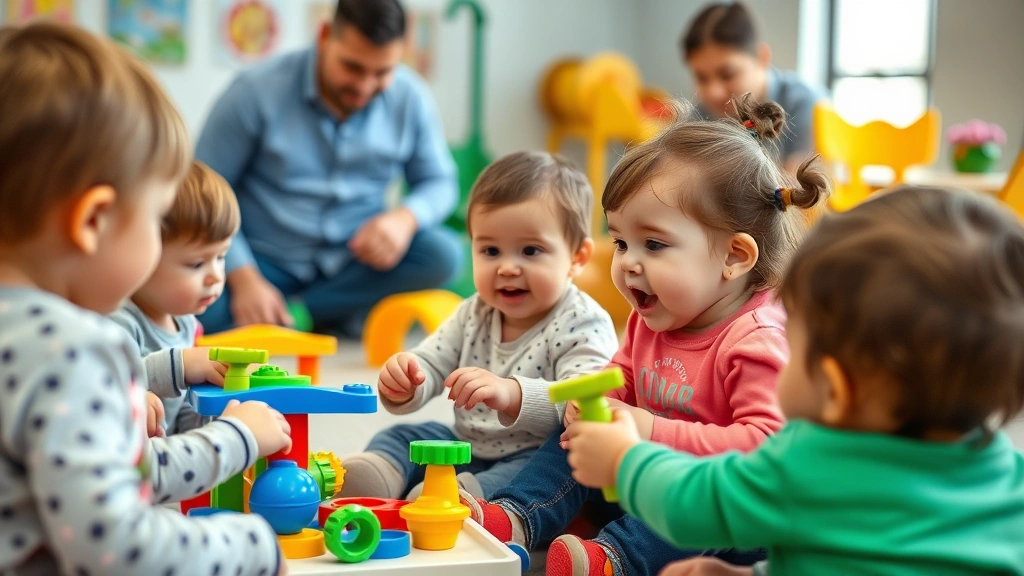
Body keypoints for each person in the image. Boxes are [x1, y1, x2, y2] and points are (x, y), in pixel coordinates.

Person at [565, 186, 1024, 576]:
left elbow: (696, 502)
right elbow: (842, 557)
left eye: (792, 343)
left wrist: (625, 461)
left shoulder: (809, 462)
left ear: (834, 388)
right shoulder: (1008, 480)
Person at [464, 96, 831, 576]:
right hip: (636, 484)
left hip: (727, 517)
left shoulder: (755, 338)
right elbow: (624, 373)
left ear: (735, 257)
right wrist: (601, 398)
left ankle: (614, 557)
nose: (628, 262)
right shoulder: (655, 313)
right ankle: (518, 517)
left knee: (695, 492)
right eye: (620, 241)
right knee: (574, 431)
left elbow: (765, 449)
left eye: (653, 244)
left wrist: (649, 429)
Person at [0, 24, 292, 576]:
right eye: (157, 218)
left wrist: (232, 439)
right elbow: (119, 549)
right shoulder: (75, 348)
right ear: (92, 222)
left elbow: (115, 472)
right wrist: (250, 544)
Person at [338, 152, 619, 501]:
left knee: (553, 471)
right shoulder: (473, 311)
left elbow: (584, 405)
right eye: (490, 251)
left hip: (534, 453)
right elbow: (432, 361)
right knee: (406, 436)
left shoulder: (582, 322)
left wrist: (512, 395)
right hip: (467, 443)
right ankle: (382, 472)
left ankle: (459, 497)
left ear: (577, 257)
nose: (507, 268)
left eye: (530, 251)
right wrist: (407, 380)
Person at [196, 0, 460, 335]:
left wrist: (404, 219)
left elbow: (440, 183)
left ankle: (299, 314)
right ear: (323, 35)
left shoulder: (412, 98)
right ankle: (334, 314)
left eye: (382, 72)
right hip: (264, 263)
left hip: (356, 266)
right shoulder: (253, 92)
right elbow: (204, 190)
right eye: (352, 67)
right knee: (194, 308)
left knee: (442, 254)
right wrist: (244, 278)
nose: (364, 87)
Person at [111, 161, 240, 437]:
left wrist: (213, 420)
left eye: (221, 257)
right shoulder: (118, 320)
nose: (215, 277)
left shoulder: (186, 323)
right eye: (196, 264)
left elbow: (182, 408)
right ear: (141, 254)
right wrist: (182, 365)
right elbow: (109, 381)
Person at [682, 2, 825, 171]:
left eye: (728, 74)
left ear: (762, 57)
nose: (714, 92)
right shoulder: (699, 116)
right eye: (702, 78)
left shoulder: (808, 106)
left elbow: (803, 188)